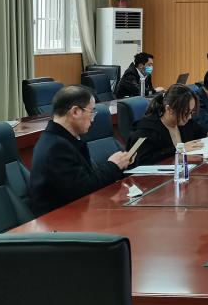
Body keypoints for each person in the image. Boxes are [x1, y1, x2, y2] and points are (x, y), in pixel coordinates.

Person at [29, 85, 134, 215]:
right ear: (75, 112)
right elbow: (83, 189)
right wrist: (113, 165)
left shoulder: (63, 139)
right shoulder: (55, 147)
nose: (93, 118)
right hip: (57, 220)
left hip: (75, 212)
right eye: (92, 112)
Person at [127, 84, 200, 167]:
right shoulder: (146, 131)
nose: (189, 117)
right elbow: (143, 161)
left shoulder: (183, 122)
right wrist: (179, 149)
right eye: (186, 113)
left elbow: (200, 131)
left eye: (191, 112)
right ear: (169, 109)